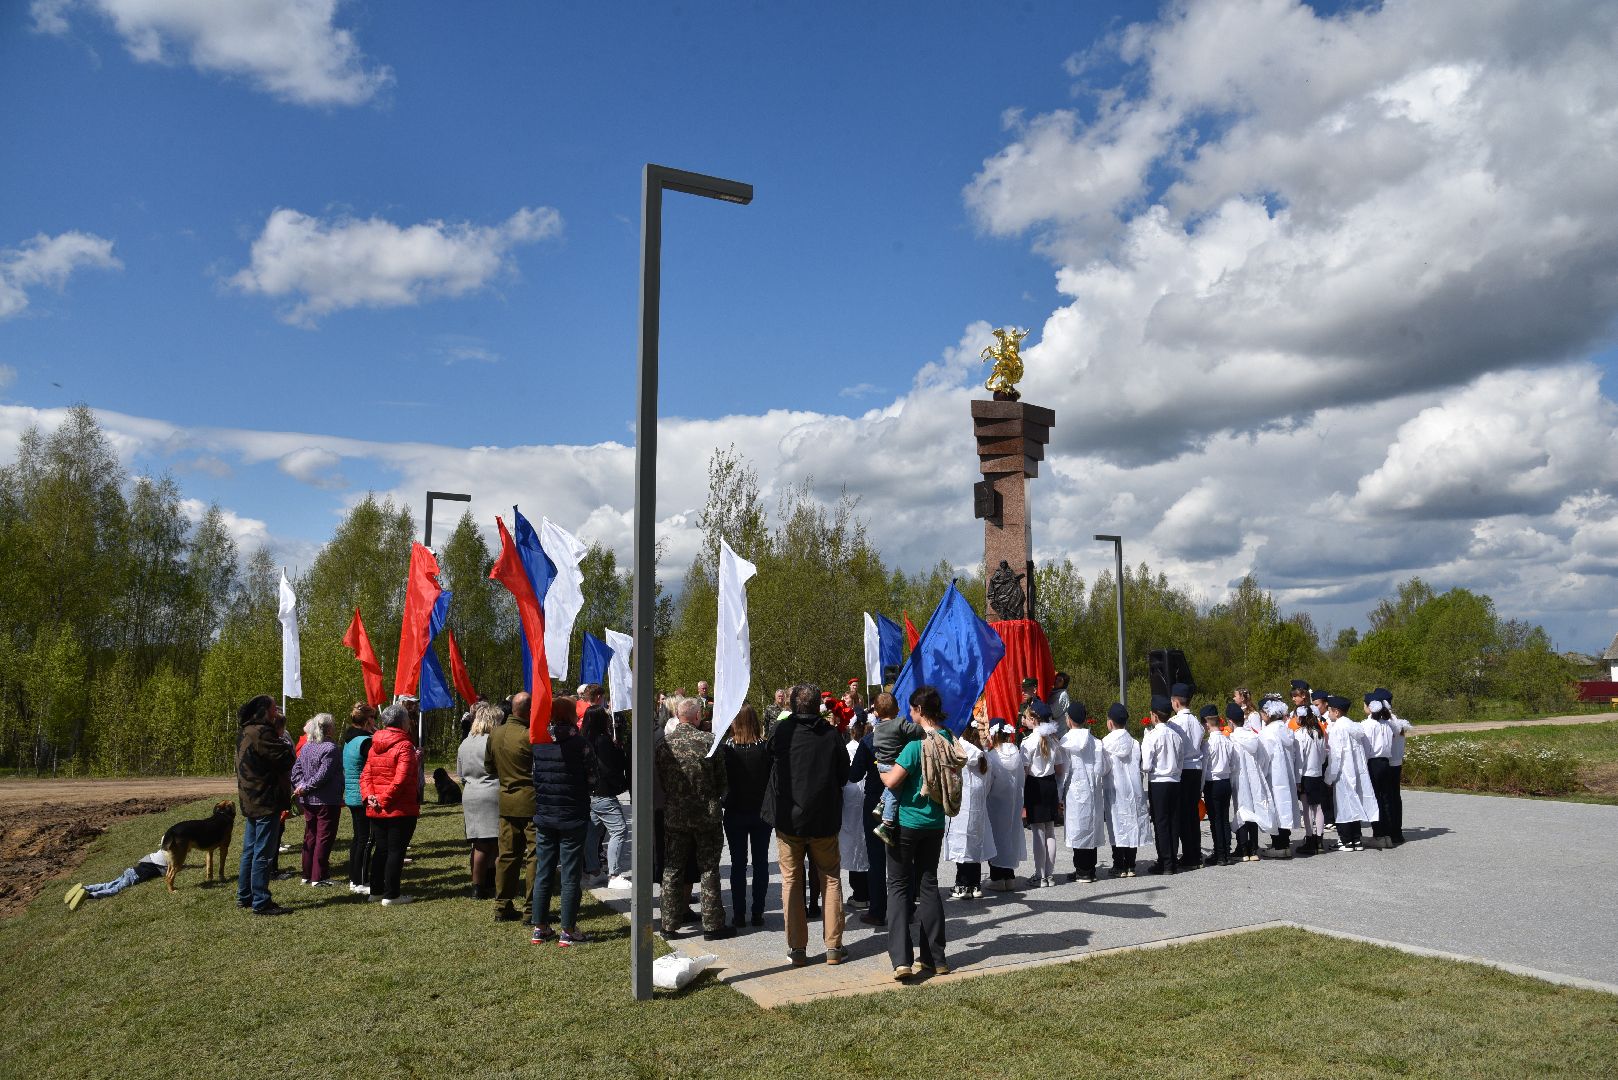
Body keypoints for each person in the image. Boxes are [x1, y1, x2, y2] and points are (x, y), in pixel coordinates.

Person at [879, 685, 961, 981]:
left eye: (912, 710)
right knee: (929, 885)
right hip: (935, 823)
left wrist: (880, 766)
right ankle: (935, 958)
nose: (909, 716)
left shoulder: (916, 746)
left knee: (899, 888)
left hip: (907, 823)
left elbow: (892, 781)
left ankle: (902, 959)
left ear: (921, 711)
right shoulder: (949, 740)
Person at [763, 684, 847, 965]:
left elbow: (768, 761)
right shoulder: (831, 734)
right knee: (830, 879)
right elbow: (844, 774)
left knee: (792, 880)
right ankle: (833, 946)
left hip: (790, 820)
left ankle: (797, 948)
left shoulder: (782, 731)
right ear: (815, 706)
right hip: (822, 819)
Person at [658, 696, 735, 942]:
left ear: (679, 717)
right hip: (706, 815)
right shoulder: (709, 743)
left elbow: (661, 780)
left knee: (672, 868)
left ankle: (668, 924)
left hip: (675, 816)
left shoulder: (665, 744)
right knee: (709, 869)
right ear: (697, 716)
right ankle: (712, 925)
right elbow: (723, 782)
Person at [530, 698, 596, 946]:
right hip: (572, 815)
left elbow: (534, 777)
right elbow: (592, 780)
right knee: (570, 874)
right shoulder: (581, 744)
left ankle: (540, 926)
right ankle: (567, 930)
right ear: (571, 716)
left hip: (546, 814)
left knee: (544, 870)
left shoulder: (539, 743)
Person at [235, 694, 294, 916]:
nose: (276, 712)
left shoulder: (246, 731)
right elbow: (286, 759)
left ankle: (245, 895)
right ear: (263, 711)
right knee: (263, 852)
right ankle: (261, 900)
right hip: (265, 799)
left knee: (250, 850)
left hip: (250, 798)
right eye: (273, 709)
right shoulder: (262, 732)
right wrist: (285, 744)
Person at [360, 703, 421, 906]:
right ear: (402, 722)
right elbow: (401, 779)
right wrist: (383, 800)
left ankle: (376, 890)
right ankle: (391, 894)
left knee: (382, 850)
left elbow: (366, 774)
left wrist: (371, 797)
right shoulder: (404, 745)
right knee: (396, 850)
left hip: (378, 805)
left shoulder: (375, 743)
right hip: (398, 807)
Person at [487, 691, 537, 924]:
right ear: (528, 711)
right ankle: (531, 909)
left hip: (506, 801)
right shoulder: (530, 735)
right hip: (530, 802)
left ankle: (502, 905)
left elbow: (489, 767)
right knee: (535, 856)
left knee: (507, 855)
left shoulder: (495, 733)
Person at [722, 704, 773, 929]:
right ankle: (757, 912)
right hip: (760, 812)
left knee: (738, 864)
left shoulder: (727, 749)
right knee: (760, 863)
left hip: (735, 812)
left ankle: (739, 914)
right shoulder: (764, 748)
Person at [581, 698, 632, 889]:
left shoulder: (584, 739)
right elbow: (612, 766)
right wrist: (618, 751)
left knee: (592, 832)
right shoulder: (602, 741)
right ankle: (614, 873)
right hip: (603, 793)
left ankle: (593, 871)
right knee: (619, 830)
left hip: (590, 792)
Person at [858, 693, 897, 926]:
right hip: (900, 799)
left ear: (876, 713)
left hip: (875, 799)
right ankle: (906, 907)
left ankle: (878, 909)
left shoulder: (869, 741)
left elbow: (854, 775)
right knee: (901, 856)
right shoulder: (909, 737)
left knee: (876, 859)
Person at [290, 714, 342, 886]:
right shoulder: (330, 748)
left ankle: (307, 873)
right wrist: (304, 786)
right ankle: (319, 876)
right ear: (327, 729)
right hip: (325, 799)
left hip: (308, 799)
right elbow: (323, 775)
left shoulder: (306, 747)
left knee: (311, 835)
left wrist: (301, 785)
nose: (334, 728)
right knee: (323, 837)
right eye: (333, 725)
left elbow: (296, 771)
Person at [1057, 700, 1106, 882]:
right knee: (1090, 826)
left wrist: (1059, 793)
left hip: (1074, 789)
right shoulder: (1096, 742)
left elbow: (1063, 772)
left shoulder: (1065, 741)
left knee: (1077, 828)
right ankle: (1090, 869)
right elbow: (1100, 769)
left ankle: (1081, 870)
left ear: (1069, 719)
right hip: (1092, 788)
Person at [944, 720, 995, 898]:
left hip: (961, 803)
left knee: (961, 842)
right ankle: (974, 884)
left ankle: (963, 884)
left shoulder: (959, 750)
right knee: (974, 842)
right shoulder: (983, 753)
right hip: (978, 805)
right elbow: (988, 781)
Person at [458, 701, 502, 899]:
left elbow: (460, 774)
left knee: (479, 842)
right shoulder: (492, 741)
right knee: (491, 843)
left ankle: (481, 884)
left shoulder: (465, 742)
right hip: (491, 791)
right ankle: (487, 884)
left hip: (471, 793)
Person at [1099, 703, 1149, 877]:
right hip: (1133, 789)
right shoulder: (1134, 743)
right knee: (1132, 822)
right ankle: (1131, 865)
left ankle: (1118, 864)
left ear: (1110, 723)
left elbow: (1103, 768)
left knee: (1116, 824)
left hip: (1115, 789)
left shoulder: (1105, 743)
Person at [1324, 694, 1378, 850]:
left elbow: (1335, 756)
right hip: (1356, 771)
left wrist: (1329, 778)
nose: (1328, 714)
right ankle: (1356, 839)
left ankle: (1346, 840)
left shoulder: (1338, 728)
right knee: (1355, 804)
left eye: (1330, 711)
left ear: (1337, 712)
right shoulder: (1353, 726)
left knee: (1344, 806)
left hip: (1343, 773)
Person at [1020, 702, 1062, 888]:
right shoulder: (1054, 740)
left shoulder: (1028, 742)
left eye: (1027, 717)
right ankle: (1050, 875)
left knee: (1038, 831)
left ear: (1035, 720)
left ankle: (1040, 874)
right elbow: (1060, 768)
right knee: (1050, 830)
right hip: (1050, 784)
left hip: (1035, 786)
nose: (1025, 720)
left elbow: (1025, 771)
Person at [1140, 695, 1183, 875]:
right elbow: (1180, 761)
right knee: (1173, 821)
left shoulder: (1152, 736)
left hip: (1159, 782)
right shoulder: (1176, 735)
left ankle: (1164, 862)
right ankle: (1172, 860)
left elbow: (1147, 766)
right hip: (1175, 780)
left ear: (1155, 716)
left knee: (1161, 823)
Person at [1229, 705, 1276, 862]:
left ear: (1230, 722)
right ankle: (1254, 849)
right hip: (1255, 778)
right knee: (1254, 811)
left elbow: (1232, 762)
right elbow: (1264, 758)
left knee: (1241, 810)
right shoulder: (1254, 737)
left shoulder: (1233, 738)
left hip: (1239, 779)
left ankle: (1243, 850)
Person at [984, 720, 1026, 891]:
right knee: (1010, 835)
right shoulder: (1016, 752)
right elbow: (1023, 777)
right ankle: (1009, 876)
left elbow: (988, 782)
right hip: (1013, 801)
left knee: (995, 837)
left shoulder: (992, 756)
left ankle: (997, 877)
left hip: (995, 802)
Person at [1167, 683, 1204, 870]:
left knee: (1182, 814)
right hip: (1196, 769)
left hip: (1183, 769)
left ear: (1175, 702)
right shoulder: (1197, 721)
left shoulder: (1175, 723)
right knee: (1192, 814)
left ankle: (1189, 855)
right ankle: (1195, 853)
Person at [841, 714, 876, 910]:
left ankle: (860, 893)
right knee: (868, 845)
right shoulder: (875, 745)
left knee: (855, 844)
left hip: (852, 802)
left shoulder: (847, 750)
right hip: (870, 799)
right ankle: (872, 891)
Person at [1260, 695, 1302, 856]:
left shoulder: (1268, 733)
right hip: (1287, 776)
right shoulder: (1287, 730)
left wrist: (1261, 775)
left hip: (1272, 776)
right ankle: (1284, 843)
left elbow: (1264, 757)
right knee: (1283, 808)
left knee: (1274, 809)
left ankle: (1279, 846)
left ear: (1267, 713)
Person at [341, 704, 376, 896]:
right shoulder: (364, 741)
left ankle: (355, 879)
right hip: (362, 795)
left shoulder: (349, 739)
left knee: (358, 839)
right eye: (373, 718)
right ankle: (361, 880)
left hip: (353, 794)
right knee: (367, 839)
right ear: (368, 720)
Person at [64, 847, 171, 908]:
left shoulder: (154, 857)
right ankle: (89, 895)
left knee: (109, 884)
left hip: (130, 871)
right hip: (133, 878)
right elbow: (167, 871)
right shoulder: (161, 867)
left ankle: (86, 888)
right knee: (115, 889)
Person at [1361, 691, 1398, 848]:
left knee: (1374, 799)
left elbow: (1365, 748)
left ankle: (1378, 835)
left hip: (1373, 763)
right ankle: (1387, 834)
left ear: (1369, 707)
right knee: (1385, 799)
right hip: (1386, 763)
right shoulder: (1388, 724)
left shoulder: (1367, 725)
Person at [1376, 688, 1413, 844]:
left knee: (1386, 799)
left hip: (1388, 763)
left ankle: (1389, 832)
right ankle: (1396, 832)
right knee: (1394, 798)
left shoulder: (1388, 722)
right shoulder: (1396, 721)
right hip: (1396, 764)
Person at [1200, 705, 1235, 866]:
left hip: (1212, 783)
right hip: (1226, 781)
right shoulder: (1228, 740)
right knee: (1224, 817)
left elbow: (1205, 767)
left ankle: (1220, 853)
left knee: (1215, 820)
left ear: (1207, 724)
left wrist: (1200, 787)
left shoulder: (1208, 745)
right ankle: (1226, 851)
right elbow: (1233, 763)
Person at [1295, 704, 1328, 856]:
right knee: (1318, 806)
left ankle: (1309, 838)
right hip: (1317, 773)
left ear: (1301, 717)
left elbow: (1299, 759)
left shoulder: (1300, 734)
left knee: (1307, 807)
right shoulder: (1319, 732)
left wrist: (1297, 778)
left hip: (1305, 775)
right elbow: (1323, 756)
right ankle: (1320, 839)